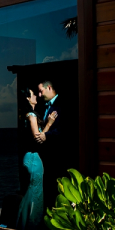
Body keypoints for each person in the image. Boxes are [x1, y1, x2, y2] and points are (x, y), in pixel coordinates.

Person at [15, 88, 56, 230]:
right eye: (33, 94)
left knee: (31, 192)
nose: (36, 96)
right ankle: (31, 226)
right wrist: (49, 124)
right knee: (35, 193)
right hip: (33, 157)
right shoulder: (31, 115)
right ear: (27, 98)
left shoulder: (28, 115)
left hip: (30, 157)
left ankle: (24, 224)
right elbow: (37, 138)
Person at [34, 80, 63, 210]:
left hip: (58, 156)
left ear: (49, 88)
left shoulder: (62, 104)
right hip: (48, 156)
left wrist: (47, 135)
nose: (40, 95)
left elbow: (66, 129)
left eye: (41, 91)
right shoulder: (47, 106)